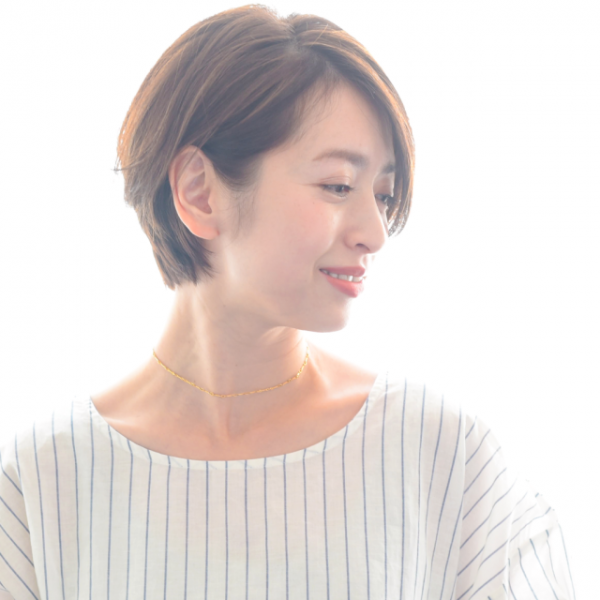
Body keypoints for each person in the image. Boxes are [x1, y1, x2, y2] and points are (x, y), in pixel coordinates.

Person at [0, 5, 575, 599]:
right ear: (199, 192)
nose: (375, 233)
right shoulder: (44, 479)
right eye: (338, 186)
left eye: (383, 195)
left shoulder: (440, 453)